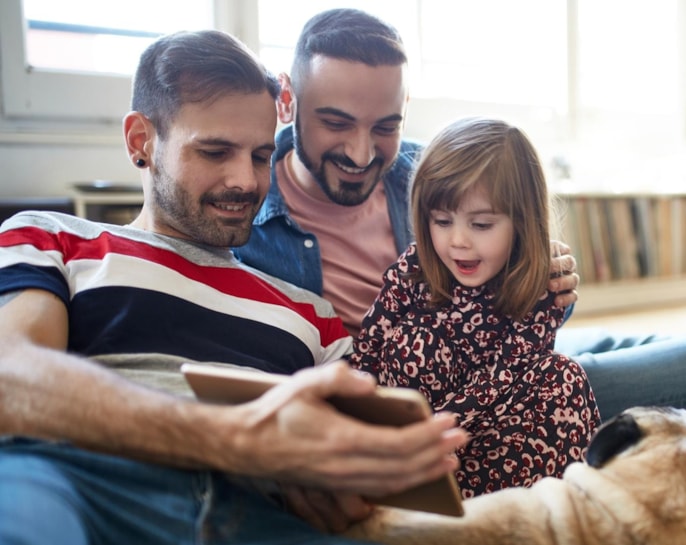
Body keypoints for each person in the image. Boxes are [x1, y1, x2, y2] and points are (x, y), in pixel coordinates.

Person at [234, 7, 686, 458]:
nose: (364, 151)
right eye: (336, 123)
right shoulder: (245, 217)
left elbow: (524, 281)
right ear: (289, 98)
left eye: (385, 125)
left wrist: (550, 278)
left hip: (512, 345)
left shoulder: (426, 175)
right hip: (483, 400)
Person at [0, 29, 468, 544]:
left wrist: (345, 475)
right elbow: (12, 380)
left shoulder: (311, 313)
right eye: (215, 152)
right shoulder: (53, 239)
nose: (245, 180)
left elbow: (343, 447)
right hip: (78, 483)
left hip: (250, 511)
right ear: (141, 142)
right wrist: (236, 440)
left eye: (261, 155)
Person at [350, 117, 600, 498]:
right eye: (442, 221)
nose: (458, 242)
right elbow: (369, 346)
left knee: (565, 377)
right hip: (404, 441)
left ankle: (513, 507)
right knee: (413, 341)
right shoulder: (414, 268)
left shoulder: (540, 285)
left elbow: (506, 376)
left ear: (522, 222)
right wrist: (361, 427)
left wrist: (437, 430)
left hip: (487, 432)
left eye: (481, 224)